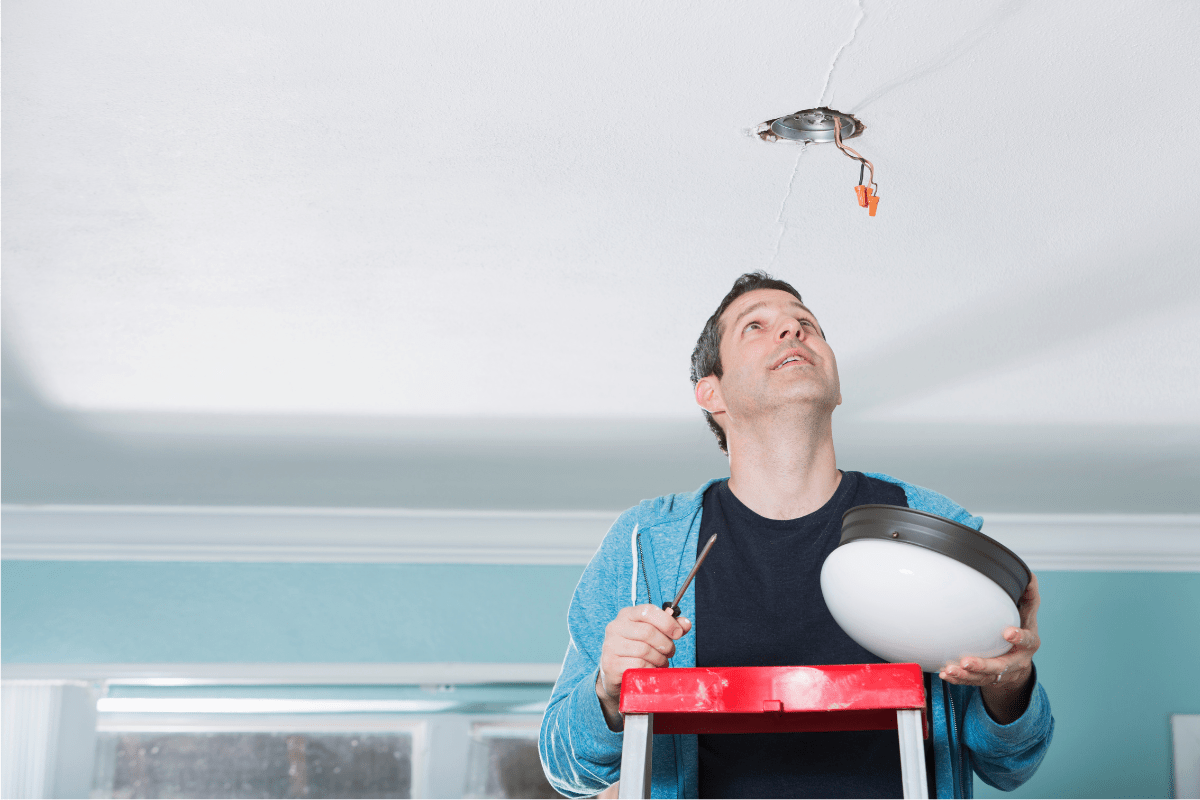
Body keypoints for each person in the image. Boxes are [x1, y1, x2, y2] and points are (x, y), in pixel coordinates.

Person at [538, 272, 1054, 799]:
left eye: (806, 323)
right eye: (756, 326)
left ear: (834, 382)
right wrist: (606, 691)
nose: (792, 330)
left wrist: (1009, 682)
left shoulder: (932, 526)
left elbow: (1010, 766)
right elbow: (566, 767)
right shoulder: (645, 544)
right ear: (710, 392)